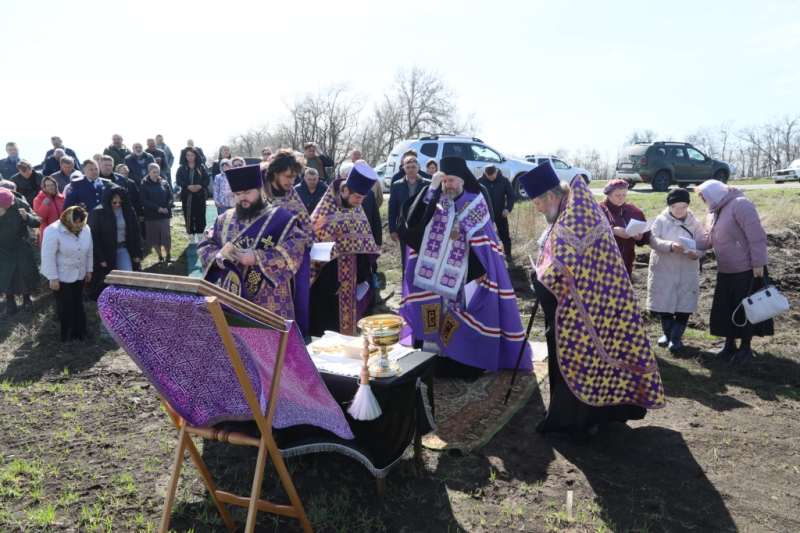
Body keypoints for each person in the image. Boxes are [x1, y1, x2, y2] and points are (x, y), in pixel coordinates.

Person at [517, 161, 665, 441]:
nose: (536, 208)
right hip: (585, 306)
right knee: (591, 361)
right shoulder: (571, 210)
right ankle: (597, 416)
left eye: (537, 201)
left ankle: (574, 423)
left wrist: (541, 277)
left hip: (584, 311)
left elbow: (563, 266)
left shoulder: (577, 216)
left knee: (580, 362)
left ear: (550, 196)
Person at [397, 157, 530, 378]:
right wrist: (431, 187)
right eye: (444, 180)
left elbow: (484, 240)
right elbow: (412, 227)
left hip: (462, 278)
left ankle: (461, 363)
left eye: (452, 180)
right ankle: (433, 365)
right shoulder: (434, 199)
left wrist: (480, 270)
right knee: (433, 319)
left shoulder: (475, 203)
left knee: (457, 320)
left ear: (462, 181)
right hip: (431, 278)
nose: (447, 185)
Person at [198, 164, 309, 326]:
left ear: (260, 190)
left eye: (247, 193)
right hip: (231, 295)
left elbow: (296, 249)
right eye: (238, 194)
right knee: (235, 345)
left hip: (270, 299)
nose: (242, 198)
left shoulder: (281, 218)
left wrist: (258, 258)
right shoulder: (223, 220)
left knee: (271, 347)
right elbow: (205, 245)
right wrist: (219, 259)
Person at [696, 180, 771, 365]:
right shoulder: (713, 211)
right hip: (725, 268)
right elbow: (710, 239)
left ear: (714, 194)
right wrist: (688, 244)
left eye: (705, 198)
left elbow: (757, 236)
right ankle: (730, 343)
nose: (704, 202)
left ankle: (745, 346)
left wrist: (758, 263)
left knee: (746, 307)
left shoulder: (740, 204)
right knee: (727, 307)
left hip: (746, 268)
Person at [308, 162, 381, 336]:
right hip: (328, 287)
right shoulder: (324, 211)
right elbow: (316, 250)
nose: (360, 202)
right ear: (345, 190)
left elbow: (363, 245)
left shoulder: (357, 209)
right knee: (328, 331)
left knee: (348, 330)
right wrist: (330, 285)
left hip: (352, 281)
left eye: (363, 198)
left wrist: (363, 277)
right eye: (357, 198)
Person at [261, 150, 315, 335]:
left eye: (294, 177)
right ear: (275, 172)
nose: (292, 182)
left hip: (291, 264)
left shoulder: (291, 192)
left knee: (296, 305)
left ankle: (296, 342)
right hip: (264, 263)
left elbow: (305, 224)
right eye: (288, 176)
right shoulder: (259, 192)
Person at [646, 188, 706, 352]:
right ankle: (667, 334)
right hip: (663, 269)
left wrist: (697, 254)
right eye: (675, 206)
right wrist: (670, 246)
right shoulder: (659, 220)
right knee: (664, 304)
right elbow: (652, 239)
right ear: (669, 206)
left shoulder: (694, 222)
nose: (680, 210)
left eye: (683, 206)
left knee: (683, 305)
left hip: (687, 270)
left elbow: (702, 241)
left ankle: (676, 338)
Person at [41, 206, 93, 342]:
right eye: (76, 222)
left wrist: (89, 269)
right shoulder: (53, 230)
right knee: (66, 305)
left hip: (78, 272)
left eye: (81, 221)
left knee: (78, 303)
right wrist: (53, 278)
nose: (79, 225)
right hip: (60, 275)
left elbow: (89, 251)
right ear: (68, 219)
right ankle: (67, 335)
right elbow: (47, 256)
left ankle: (81, 332)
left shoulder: (85, 229)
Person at [88, 185, 142, 297]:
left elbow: (136, 231)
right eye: (114, 202)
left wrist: (137, 251)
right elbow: (94, 237)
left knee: (128, 278)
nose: (117, 205)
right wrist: (100, 257)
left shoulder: (128, 210)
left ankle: (128, 302)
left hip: (124, 249)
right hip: (106, 252)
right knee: (110, 282)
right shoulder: (97, 212)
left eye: (120, 202)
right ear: (108, 200)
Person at [0, 187, 41, 315]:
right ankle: (10, 303)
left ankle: (27, 300)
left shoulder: (20, 203)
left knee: (24, 274)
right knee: (7, 275)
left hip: (22, 246)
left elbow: (38, 221)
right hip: (3, 249)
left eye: (7, 206)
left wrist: (26, 217)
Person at [598, 179, 650, 277]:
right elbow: (589, 232)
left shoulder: (634, 211)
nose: (621, 198)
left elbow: (646, 234)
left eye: (624, 195)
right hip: (603, 262)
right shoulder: (598, 209)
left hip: (626, 261)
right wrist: (612, 231)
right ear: (608, 195)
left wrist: (640, 237)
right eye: (617, 195)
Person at [389, 156, 430, 272]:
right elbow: (392, 208)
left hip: (423, 227)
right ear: (404, 169)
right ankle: (406, 287)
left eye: (413, 167)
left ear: (418, 167)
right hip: (404, 228)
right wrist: (392, 230)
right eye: (408, 167)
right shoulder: (397, 185)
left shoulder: (428, 184)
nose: (411, 169)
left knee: (422, 259)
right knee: (406, 259)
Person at [478, 164, 516, 263]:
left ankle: (508, 255)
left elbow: (511, 196)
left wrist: (508, 208)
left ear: (496, 172)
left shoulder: (504, 181)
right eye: (488, 178)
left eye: (493, 177)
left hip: (501, 213)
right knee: (486, 236)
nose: (491, 180)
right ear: (485, 174)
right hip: (486, 215)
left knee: (505, 235)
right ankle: (489, 258)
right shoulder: (479, 182)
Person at [139, 163, 174, 263]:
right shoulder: (143, 184)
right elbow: (143, 200)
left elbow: (171, 196)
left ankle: (168, 256)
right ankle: (160, 257)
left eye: (158, 172)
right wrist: (157, 208)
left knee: (166, 235)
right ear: (149, 172)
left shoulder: (164, 182)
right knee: (154, 237)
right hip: (151, 215)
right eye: (154, 172)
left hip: (164, 214)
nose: (156, 174)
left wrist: (167, 207)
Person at [175, 146, 210, 243]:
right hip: (187, 195)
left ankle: (200, 234)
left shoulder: (201, 167)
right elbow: (179, 180)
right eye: (188, 155)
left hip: (199, 194)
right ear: (185, 156)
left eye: (192, 155)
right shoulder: (181, 168)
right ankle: (191, 236)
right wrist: (187, 186)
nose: (190, 157)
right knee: (189, 215)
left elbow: (207, 178)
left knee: (200, 214)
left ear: (195, 155)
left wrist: (201, 186)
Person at [99, 156, 142, 225]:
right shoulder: (95, 179)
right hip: (101, 214)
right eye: (106, 165)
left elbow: (127, 198)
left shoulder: (120, 179)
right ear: (99, 165)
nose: (108, 167)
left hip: (120, 213)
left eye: (110, 165)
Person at [33, 176, 65, 249]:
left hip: (63, 232)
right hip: (48, 234)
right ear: (43, 187)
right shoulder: (38, 200)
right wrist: (44, 205)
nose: (50, 187)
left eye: (52, 185)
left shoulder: (63, 198)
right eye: (48, 185)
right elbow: (39, 219)